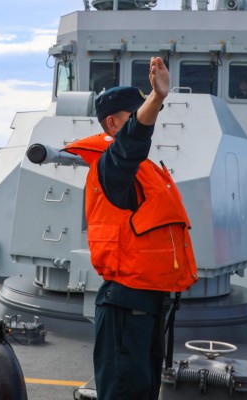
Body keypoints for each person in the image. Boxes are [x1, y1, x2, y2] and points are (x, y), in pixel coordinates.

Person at [63, 58, 197, 400]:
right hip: (125, 304)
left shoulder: (145, 170)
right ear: (112, 123)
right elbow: (129, 146)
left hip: (149, 303)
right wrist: (156, 98)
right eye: (133, 115)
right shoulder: (112, 165)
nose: (143, 120)